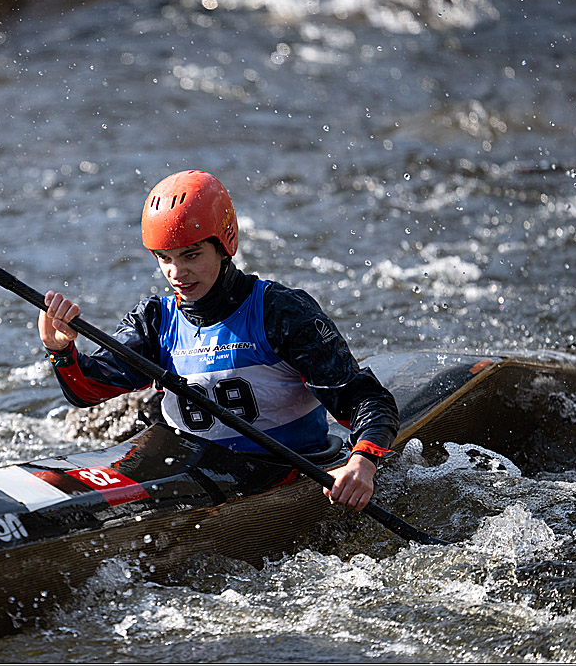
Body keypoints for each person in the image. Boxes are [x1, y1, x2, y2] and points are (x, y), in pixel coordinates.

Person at [39, 170, 399, 512]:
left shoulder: (280, 312)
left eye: (191, 255)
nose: (176, 273)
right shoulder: (154, 320)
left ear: (225, 245)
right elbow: (89, 391)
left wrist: (363, 463)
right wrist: (61, 351)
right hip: (194, 478)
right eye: (164, 258)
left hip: (284, 470)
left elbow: (367, 400)